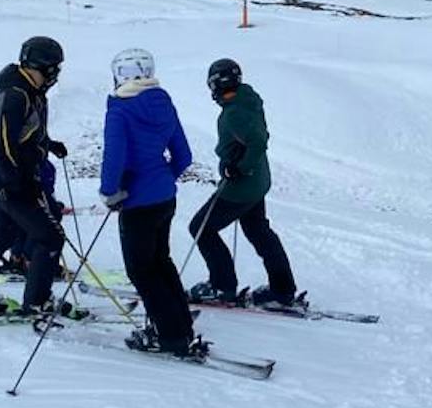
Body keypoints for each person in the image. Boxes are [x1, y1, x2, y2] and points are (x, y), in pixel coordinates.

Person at [98, 48, 207, 359]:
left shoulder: (120, 109)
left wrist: (110, 191)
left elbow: (113, 156)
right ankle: (181, 326)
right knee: (161, 262)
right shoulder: (163, 101)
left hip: (136, 202)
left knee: (142, 270)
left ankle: (171, 336)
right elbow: (183, 155)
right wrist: (161, 177)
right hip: (164, 197)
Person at [0, 37, 68, 317]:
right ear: (39, 66)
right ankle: (37, 302)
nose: (54, 76)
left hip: (12, 177)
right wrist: (18, 184)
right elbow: (5, 145)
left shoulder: (32, 92)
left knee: (2, 235)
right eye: (52, 69)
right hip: (9, 179)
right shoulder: (15, 95)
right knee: (50, 237)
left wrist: (48, 145)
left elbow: (26, 134)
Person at [187, 58, 298, 308]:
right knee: (259, 233)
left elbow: (258, 141)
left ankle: (221, 285)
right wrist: (241, 158)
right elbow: (260, 135)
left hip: (241, 188)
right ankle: (283, 289)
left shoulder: (235, 112)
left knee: (201, 228)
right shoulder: (247, 100)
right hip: (257, 182)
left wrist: (240, 167)